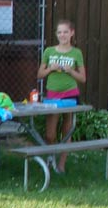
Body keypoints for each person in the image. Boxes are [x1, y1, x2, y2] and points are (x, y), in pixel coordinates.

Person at [36, 18, 87, 174]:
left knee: (67, 130)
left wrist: (70, 71)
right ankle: (50, 157)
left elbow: (83, 78)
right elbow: (39, 74)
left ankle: (61, 165)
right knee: (50, 134)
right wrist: (51, 68)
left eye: (65, 32)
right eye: (59, 32)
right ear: (56, 34)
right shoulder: (49, 51)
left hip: (70, 94)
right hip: (52, 94)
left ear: (72, 33)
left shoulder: (76, 53)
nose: (62, 35)